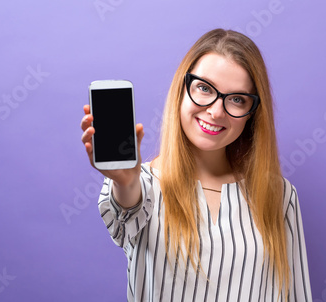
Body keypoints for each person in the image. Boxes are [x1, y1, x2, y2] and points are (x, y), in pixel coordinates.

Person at [80, 28, 312, 301]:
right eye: (204, 88)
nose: (215, 111)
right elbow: (126, 209)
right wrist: (125, 181)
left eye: (237, 99)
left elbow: (295, 295)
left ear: (253, 113)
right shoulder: (140, 186)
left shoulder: (280, 195)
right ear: (182, 89)